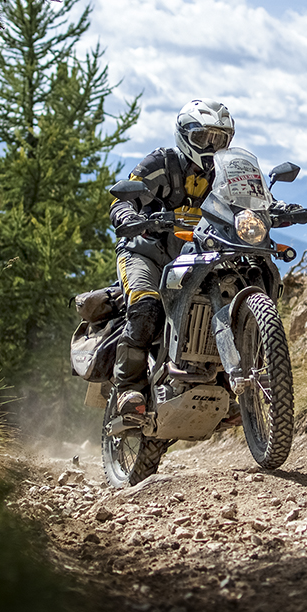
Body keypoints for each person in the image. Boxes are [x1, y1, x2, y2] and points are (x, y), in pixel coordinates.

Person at [109, 98, 235, 418]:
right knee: (146, 305)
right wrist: (128, 216)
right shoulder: (161, 164)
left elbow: (248, 198)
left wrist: (274, 208)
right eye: (203, 137)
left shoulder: (226, 172)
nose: (211, 146)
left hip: (197, 258)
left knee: (227, 299)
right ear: (184, 135)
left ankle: (233, 382)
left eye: (219, 139)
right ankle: (129, 390)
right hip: (146, 253)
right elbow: (124, 200)